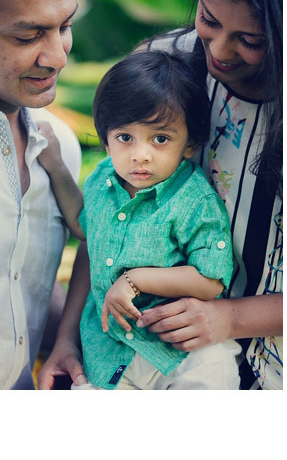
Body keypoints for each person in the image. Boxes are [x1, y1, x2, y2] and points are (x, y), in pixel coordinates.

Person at [39, 0, 284, 390]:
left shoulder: (195, 196)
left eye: (250, 40)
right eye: (209, 20)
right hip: (117, 352)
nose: (219, 51)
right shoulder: (159, 68)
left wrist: (232, 316)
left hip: (234, 355)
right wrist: (66, 338)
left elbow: (213, 278)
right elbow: (94, 236)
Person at [37, 51, 241, 389]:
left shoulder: (193, 200)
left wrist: (135, 280)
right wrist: (56, 165)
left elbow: (210, 279)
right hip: (109, 351)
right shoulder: (103, 180)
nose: (140, 155)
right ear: (106, 140)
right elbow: (84, 227)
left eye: (160, 139)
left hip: (180, 350)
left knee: (213, 374)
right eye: (125, 138)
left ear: (190, 144)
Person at [0, 0, 88, 389]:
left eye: (65, 26)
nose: (58, 57)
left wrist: (70, 340)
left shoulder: (61, 144)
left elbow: (21, 281)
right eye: (28, 36)